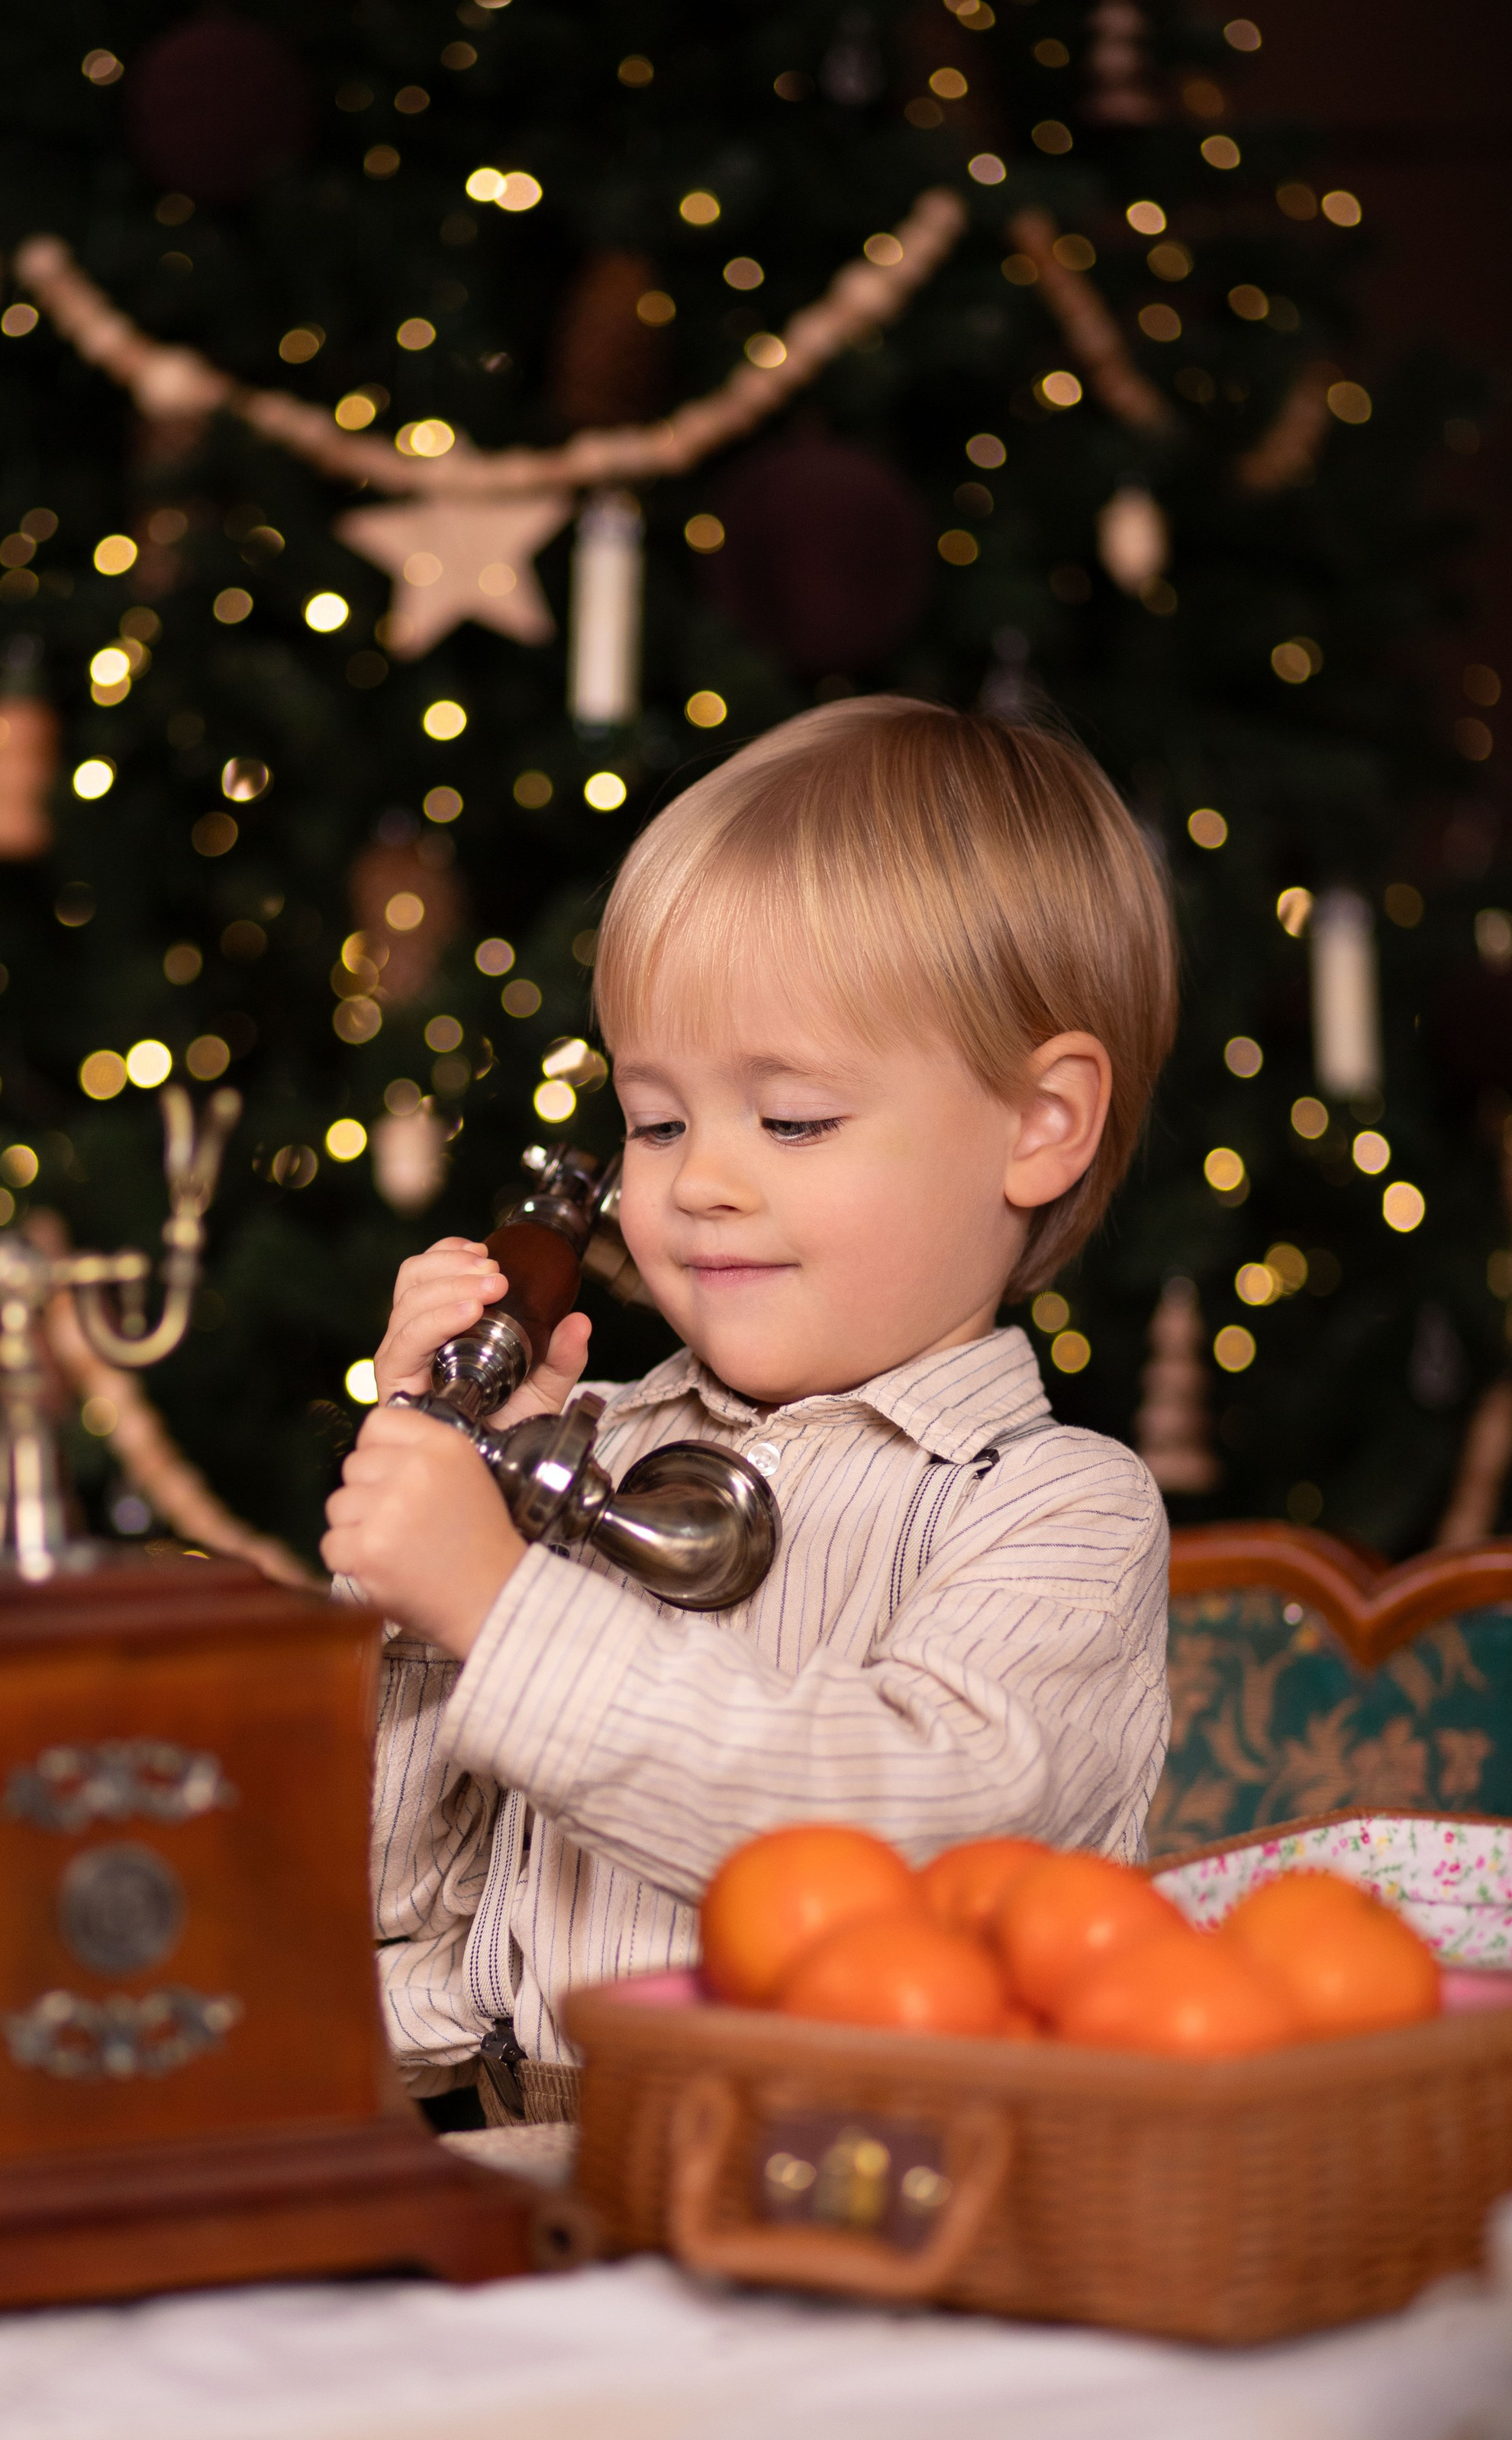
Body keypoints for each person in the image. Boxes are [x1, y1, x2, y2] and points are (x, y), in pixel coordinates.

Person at [321, 696, 1178, 2123]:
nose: (700, 1182)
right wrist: (415, 1583)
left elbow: (900, 1839)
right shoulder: (582, 1442)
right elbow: (378, 1908)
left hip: (877, 2200)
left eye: (791, 1121)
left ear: (1040, 1125)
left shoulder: (1056, 1511)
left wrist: (505, 1612)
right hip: (533, 2172)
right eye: (657, 1121)